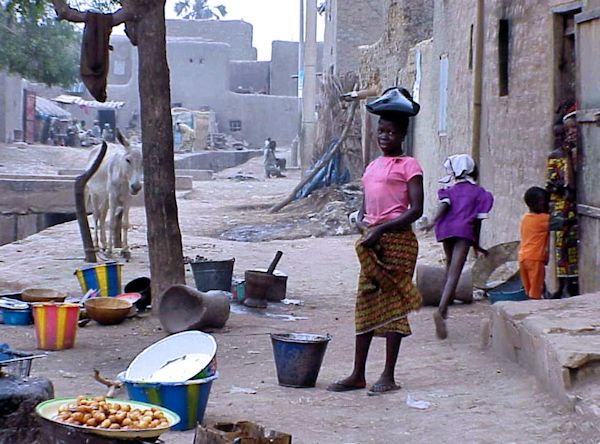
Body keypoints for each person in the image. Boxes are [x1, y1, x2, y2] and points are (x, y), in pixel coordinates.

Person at [327, 87, 423, 395]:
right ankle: (357, 374)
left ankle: (388, 375)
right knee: (365, 304)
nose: (384, 136)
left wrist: (381, 229)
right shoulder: (373, 166)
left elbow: (416, 209)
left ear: (402, 134)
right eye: (381, 130)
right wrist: (360, 218)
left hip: (397, 242)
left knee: (393, 306)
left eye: (391, 132)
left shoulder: (410, 166)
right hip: (373, 242)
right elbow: (368, 204)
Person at [425, 154, 493, 340]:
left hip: (445, 229)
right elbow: (478, 223)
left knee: (449, 267)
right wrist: (476, 244)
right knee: (455, 272)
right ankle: (442, 309)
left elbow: (444, 206)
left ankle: (444, 305)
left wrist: (433, 221)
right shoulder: (480, 194)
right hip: (464, 231)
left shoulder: (449, 190)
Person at [546, 113, 579, 298]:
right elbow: (553, 184)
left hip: (573, 208)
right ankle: (563, 286)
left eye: (573, 128)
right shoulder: (555, 156)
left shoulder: (578, 154)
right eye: (567, 130)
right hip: (560, 207)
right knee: (561, 247)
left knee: (573, 246)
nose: (570, 133)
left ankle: (571, 285)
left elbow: (573, 186)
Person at [518, 187, 551, 300]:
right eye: (544, 202)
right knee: (536, 292)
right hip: (534, 259)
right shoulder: (543, 219)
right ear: (535, 204)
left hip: (523, 257)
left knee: (529, 290)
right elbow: (561, 221)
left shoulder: (525, 218)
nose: (546, 204)